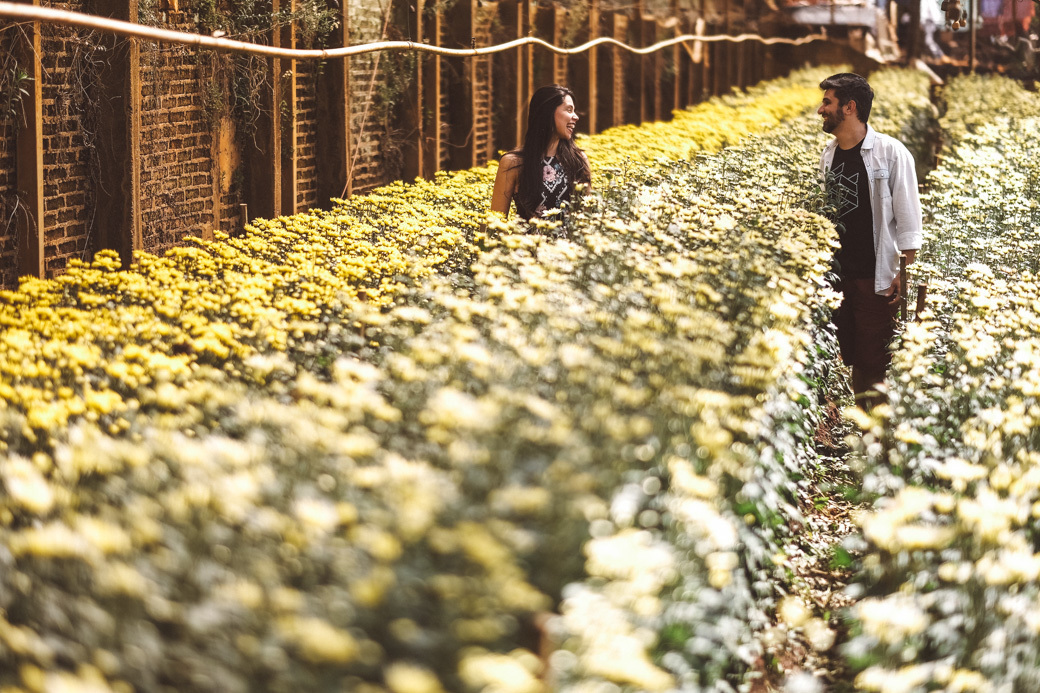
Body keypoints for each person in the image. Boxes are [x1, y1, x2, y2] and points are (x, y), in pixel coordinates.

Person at [816, 73, 922, 409]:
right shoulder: (828, 156)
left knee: (876, 361)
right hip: (839, 279)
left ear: (849, 108)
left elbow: (908, 218)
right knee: (854, 357)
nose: (821, 110)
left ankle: (877, 439)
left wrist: (900, 275)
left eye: (828, 102)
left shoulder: (890, 153)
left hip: (875, 279)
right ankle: (866, 431)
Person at [489, 85, 591, 225]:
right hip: (525, 246)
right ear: (547, 112)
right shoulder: (514, 163)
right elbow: (494, 223)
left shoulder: (578, 161)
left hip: (568, 247)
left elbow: (589, 220)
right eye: (569, 110)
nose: (576, 117)